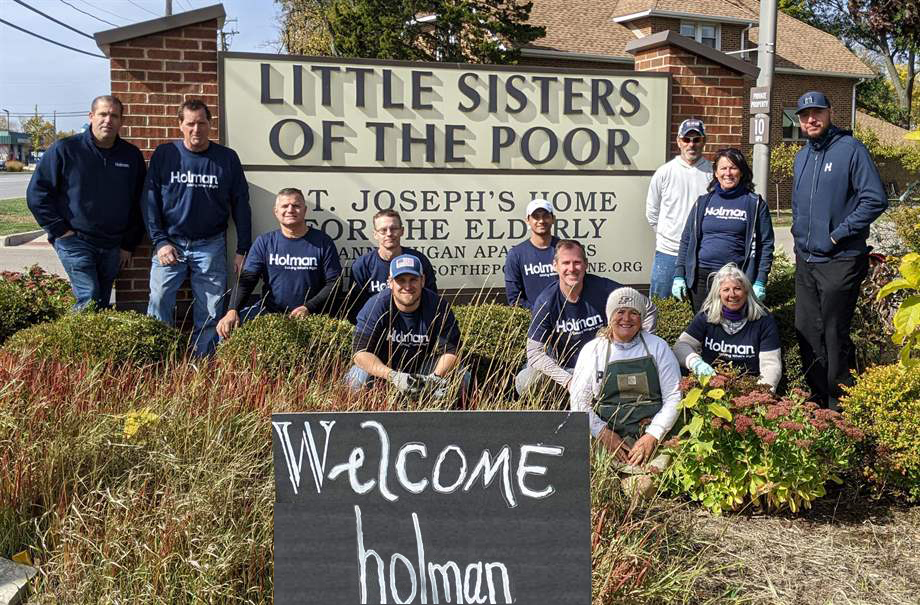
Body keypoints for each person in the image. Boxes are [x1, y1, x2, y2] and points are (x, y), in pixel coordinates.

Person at [791, 91, 887, 409]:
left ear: (830, 113)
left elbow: (875, 199)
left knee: (834, 334)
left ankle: (840, 404)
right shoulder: (802, 156)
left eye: (817, 112)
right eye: (805, 115)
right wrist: (798, 238)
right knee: (806, 330)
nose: (811, 119)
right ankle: (818, 399)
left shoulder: (851, 150)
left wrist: (836, 236)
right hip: (806, 259)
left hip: (841, 259)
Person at [143, 100, 252, 356]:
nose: (196, 129)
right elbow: (149, 202)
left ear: (210, 125)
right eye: (190, 123)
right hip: (171, 243)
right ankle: (158, 358)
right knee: (159, 300)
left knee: (212, 309)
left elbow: (241, 205)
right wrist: (159, 241)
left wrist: (243, 248)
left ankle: (201, 362)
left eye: (201, 123)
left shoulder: (226, 158)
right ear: (180, 125)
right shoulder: (165, 154)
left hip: (210, 244)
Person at [26, 95, 146, 309]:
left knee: (99, 301)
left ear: (121, 121)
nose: (108, 120)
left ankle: (89, 342)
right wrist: (60, 231)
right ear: (91, 117)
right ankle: (73, 342)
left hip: (112, 245)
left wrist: (128, 243)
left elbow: (139, 203)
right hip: (75, 241)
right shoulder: (65, 150)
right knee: (88, 298)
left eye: (114, 115)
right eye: (102, 114)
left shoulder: (131, 156)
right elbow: (37, 194)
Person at [569, 287, 682, 493]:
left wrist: (652, 436)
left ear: (641, 318)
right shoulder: (594, 350)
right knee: (592, 484)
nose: (626, 319)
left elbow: (674, 396)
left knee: (642, 489)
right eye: (620, 312)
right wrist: (603, 433)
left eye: (634, 313)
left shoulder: (658, 347)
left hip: (649, 434)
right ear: (610, 315)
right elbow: (579, 402)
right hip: (607, 432)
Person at [517, 240, 657, 396]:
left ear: (586, 265)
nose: (572, 269)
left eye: (577, 262)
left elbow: (648, 307)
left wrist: (641, 347)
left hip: (605, 369)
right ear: (555, 266)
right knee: (526, 380)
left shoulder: (604, 289)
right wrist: (569, 382)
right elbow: (534, 353)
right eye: (566, 263)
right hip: (567, 372)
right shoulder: (546, 301)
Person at [216, 188, 341, 339]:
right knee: (225, 330)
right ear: (276, 211)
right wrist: (232, 310)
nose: (290, 210)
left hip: (312, 316)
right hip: (270, 315)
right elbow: (247, 280)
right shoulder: (265, 242)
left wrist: (308, 307)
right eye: (285, 206)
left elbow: (334, 283)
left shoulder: (323, 242)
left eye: (296, 206)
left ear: (305, 210)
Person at [673, 148, 774, 313]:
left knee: (731, 329)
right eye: (723, 168)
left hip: (735, 280)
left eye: (733, 167)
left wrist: (760, 281)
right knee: (703, 328)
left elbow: (766, 245)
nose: (728, 173)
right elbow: (686, 240)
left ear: (741, 171)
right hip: (701, 278)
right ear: (716, 173)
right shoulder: (703, 202)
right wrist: (679, 274)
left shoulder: (754, 204)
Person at [346, 254, 462, 396]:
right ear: (390, 282)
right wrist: (394, 376)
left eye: (413, 279)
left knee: (462, 376)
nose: (407, 286)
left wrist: (434, 379)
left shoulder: (438, 306)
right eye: (401, 280)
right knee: (356, 378)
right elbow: (359, 353)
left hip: (421, 372)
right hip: (383, 371)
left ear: (423, 280)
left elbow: (452, 351)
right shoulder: (376, 305)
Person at [673, 263, 782, 390]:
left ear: (746, 291)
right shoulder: (706, 316)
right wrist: (696, 363)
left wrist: (761, 394)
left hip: (749, 388)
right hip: (711, 386)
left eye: (737, 288)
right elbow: (680, 346)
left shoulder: (763, 320)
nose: (732, 294)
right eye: (726, 290)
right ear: (718, 293)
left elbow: (771, 365)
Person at [645, 119, 712, 300]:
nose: (691, 144)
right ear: (679, 141)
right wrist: (666, 236)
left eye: (696, 139)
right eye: (686, 139)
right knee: (660, 307)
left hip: (701, 254)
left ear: (704, 141)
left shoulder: (713, 174)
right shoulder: (664, 172)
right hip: (668, 253)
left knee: (700, 308)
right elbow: (652, 212)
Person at [348, 209, 437, 322]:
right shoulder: (362, 266)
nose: (389, 234)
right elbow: (355, 309)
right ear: (375, 234)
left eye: (394, 228)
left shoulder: (419, 261)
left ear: (402, 231)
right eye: (383, 230)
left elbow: (432, 301)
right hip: (375, 327)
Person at [504, 198, 560, 309]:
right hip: (533, 321)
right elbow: (514, 299)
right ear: (528, 221)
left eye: (545, 216)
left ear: (553, 219)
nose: (541, 221)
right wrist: (540, 313)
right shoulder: (516, 254)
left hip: (567, 319)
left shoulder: (565, 249)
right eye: (536, 217)